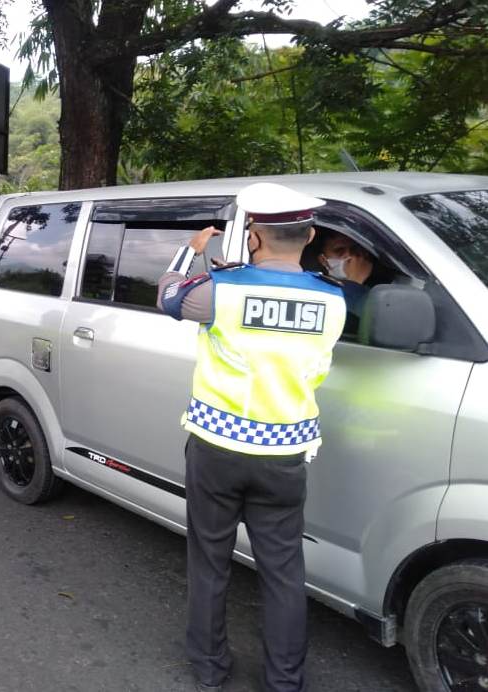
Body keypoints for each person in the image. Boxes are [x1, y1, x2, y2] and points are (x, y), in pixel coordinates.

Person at [156, 182, 347, 692]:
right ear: (308, 235)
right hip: (285, 455)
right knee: (284, 573)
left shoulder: (223, 291)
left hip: (218, 448)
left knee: (210, 563)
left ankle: (211, 670)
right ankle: (285, 682)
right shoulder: (333, 301)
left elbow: (168, 296)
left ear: (254, 237)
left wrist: (193, 252)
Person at [317, 229, 377, 320]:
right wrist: (355, 281)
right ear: (323, 260)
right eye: (339, 251)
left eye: (354, 250)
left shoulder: (377, 291)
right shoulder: (316, 290)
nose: (349, 256)